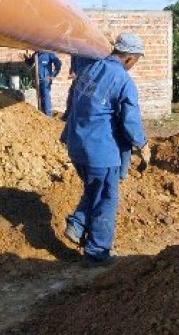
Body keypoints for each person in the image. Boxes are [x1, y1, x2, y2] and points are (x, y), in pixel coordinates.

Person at [61, 33, 151, 266]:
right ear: (130, 59)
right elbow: (130, 122)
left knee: (94, 189)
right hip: (101, 151)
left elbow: (71, 103)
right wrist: (142, 144)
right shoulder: (123, 81)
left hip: (76, 145)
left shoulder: (89, 70)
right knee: (105, 201)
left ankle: (78, 223)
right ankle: (97, 253)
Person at [25, 50, 62, 116]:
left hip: (46, 80)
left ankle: (48, 115)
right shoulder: (36, 54)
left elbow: (58, 64)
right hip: (38, 79)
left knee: (46, 95)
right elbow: (30, 62)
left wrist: (53, 75)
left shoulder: (49, 54)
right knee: (40, 96)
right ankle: (42, 114)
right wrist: (26, 58)